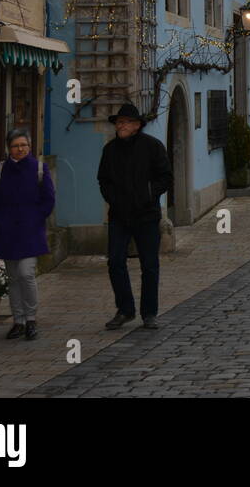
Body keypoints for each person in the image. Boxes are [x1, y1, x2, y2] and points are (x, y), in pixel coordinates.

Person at [97, 102, 172, 330]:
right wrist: (114, 199)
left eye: (125, 122)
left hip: (147, 215)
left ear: (137, 125)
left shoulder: (152, 146)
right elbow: (103, 180)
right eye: (118, 122)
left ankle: (149, 313)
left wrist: (149, 193)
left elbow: (166, 177)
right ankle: (125, 310)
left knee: (149, 265)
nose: (120, 126)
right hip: (119, 215)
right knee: (115, 262)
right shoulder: (110, 150)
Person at [0, 128, 55, 341]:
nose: (20, 149)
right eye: (15, 146)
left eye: (23, 145)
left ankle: (31, 318)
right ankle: (18, 321)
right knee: (13, 277)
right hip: (7, 231)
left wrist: (35, 219)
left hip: (30, 231)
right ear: (9, 148)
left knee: (26, 273)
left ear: (29, 146)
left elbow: (49, 199)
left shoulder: (39, 169)